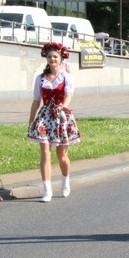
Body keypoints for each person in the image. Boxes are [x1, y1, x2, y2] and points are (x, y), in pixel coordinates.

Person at [27, 43, 81, 202]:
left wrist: (62, 107)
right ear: (46, 58)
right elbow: (36, 100)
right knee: (44, 152)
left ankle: (65, 181)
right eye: (50, 56)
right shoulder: (40, 78)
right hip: (45, 118)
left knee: (61, 155)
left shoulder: (67, 77)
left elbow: (68, 95)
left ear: (61, 58)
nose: (52, 59)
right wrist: (31, 120)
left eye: (55, 57)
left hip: (61, 117)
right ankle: (47, 190)